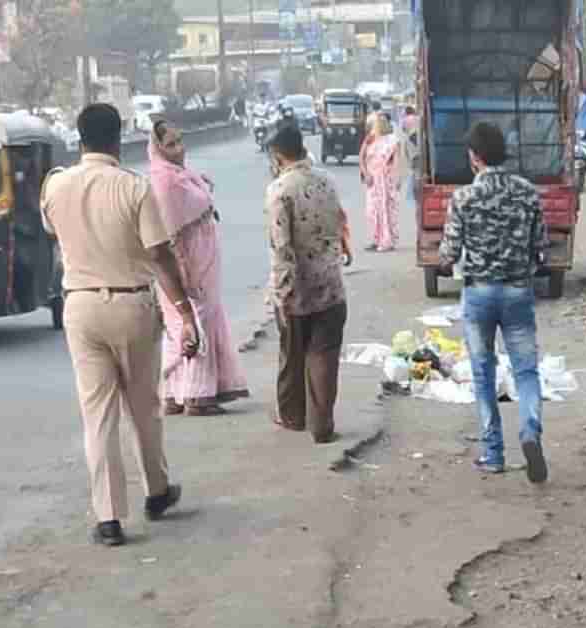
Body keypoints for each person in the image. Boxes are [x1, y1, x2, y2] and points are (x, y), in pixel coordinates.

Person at [41, 104, 200, 548]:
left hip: (80, 307)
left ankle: (108, 517)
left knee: (98, 416)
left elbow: (54, 232)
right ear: (117, 140)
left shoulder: (55, 186)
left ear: (80, 138)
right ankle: (156, 490)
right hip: (132, 303)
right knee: (144, 407)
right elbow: (161, 254)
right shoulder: (134, 189)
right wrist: (185, 312)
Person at [439, 121, 549, 484]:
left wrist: (446, 258)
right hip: (518, 290)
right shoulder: (528, 193)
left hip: (479, 293)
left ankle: (493, 454)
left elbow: (450, 251)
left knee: (484, 374)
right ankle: (531, 431)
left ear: (474, 157)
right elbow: (540, 247)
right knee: (526, 370)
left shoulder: (463, 198)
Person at [147, 120, 250, 416]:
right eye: (171, 144)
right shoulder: (165, 181)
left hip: (201, 253)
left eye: (180, 141)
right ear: (158, 149)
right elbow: (174, 229)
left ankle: (174, 394)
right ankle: (196, 395)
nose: (179, 149)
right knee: (195, 317)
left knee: (190, 319)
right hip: (188, 259)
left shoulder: (180, 175)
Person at [264, 124, 349, 444]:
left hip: (297, 290)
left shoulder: (279, 190)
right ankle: (322, 424)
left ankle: (293, 416)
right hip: (330, 283)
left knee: (292, 355)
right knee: (324, 355)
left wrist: (281, 294)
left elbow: (281, 248)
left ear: (277, 155)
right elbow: (338, 223)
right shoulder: (327, 180)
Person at [362, 114, 403, 252]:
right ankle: (376, 239)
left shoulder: (392, 141)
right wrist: (366, 174)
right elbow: (361, 158)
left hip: (385, 180)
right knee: (372, 211)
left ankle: (386, 241)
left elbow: (397, 161)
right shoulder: (370, 139)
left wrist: (397, 178)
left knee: (385, 210)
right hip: (373, 181)